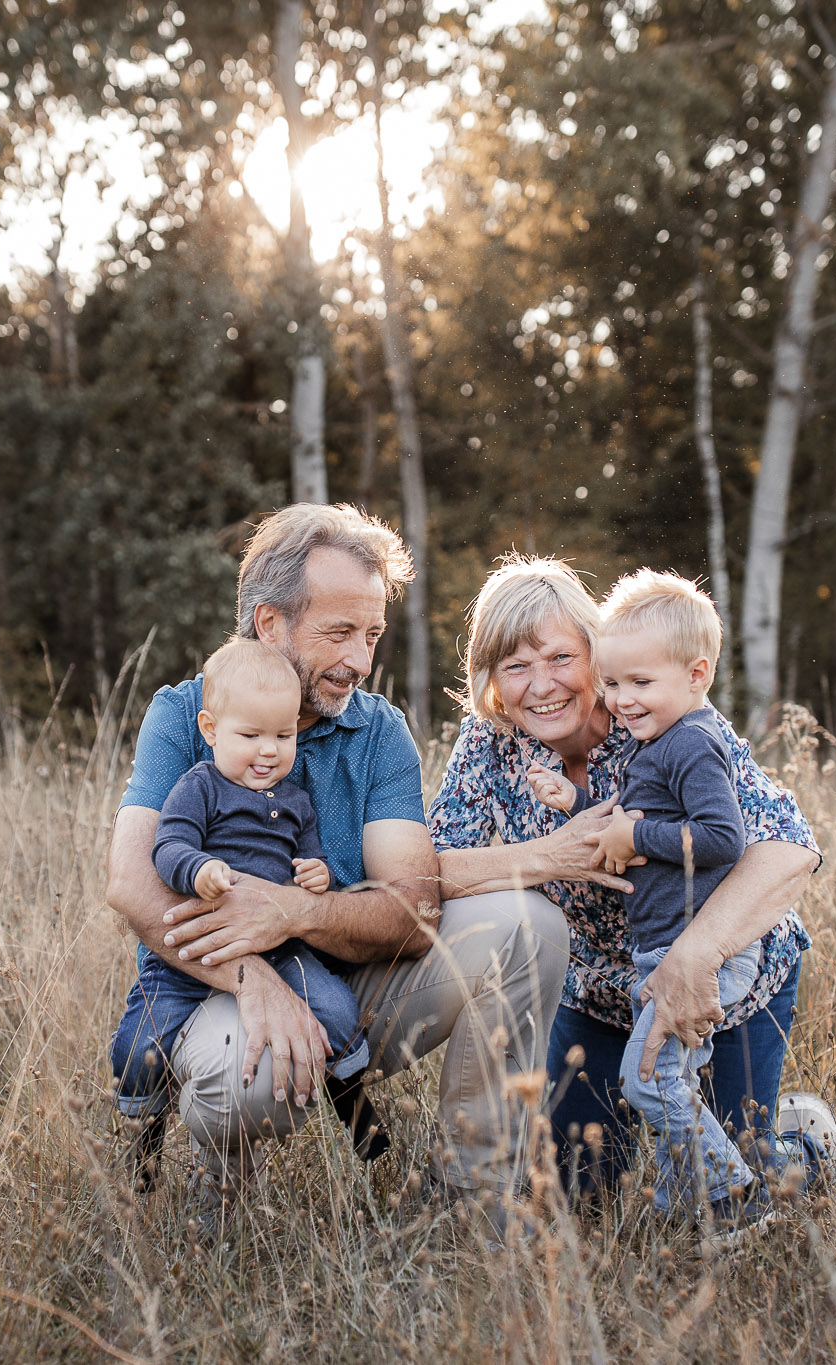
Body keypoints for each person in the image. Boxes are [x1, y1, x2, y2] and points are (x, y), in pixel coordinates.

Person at [104, 505, 568, 1233]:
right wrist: (255, 979)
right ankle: (222, 1197)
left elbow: (415, 910)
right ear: (269, 622)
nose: (360, 659)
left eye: (373, 635)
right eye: (339, 633)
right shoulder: (185, 713)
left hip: (353, 988)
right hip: (215, 990)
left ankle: (476, 1198)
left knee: (529, 923)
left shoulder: (377, 728)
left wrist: (297, 912)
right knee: (242, 1077)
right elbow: (130, 882)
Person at [426, 555, 835, 1202]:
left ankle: (809, 1147)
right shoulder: (489, 743)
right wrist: (548, 856)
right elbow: (433, 870)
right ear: (493, 679)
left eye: (561, 657)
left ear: (596, 652)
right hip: (600, 997)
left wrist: (694, 958)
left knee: (735, 1178)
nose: (541, 685)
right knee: (578, 1191)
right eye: (516, 666)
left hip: (715, 983)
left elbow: (790, 846)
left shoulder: (659, 716)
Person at [528, 569, 774, 1248]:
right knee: (676, 1080)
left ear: (697, 675)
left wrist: (632, 835)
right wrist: (574, 806)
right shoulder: (653, 743)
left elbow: (724, 838)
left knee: (649, 1081)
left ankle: (735, 1194)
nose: (621, 699)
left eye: (640, 683)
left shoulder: (693, 740)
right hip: (657, 949)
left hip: (696, 952)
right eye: (613, 683)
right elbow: (635, 824)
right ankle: (676, 1209)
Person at [109, 637, 385, 1185]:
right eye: (250, 736)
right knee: (141, 1040)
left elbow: (310, 855)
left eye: (282, 736)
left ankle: (352, 1102)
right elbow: (166, 847)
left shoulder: (295, 799)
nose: (268, 751)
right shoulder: (199, 788)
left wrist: (317, 874)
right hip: (198, 947)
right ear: (211, 731)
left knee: (333, 1004)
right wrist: (197, 870)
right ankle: (146, 1131)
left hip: (280, 948)